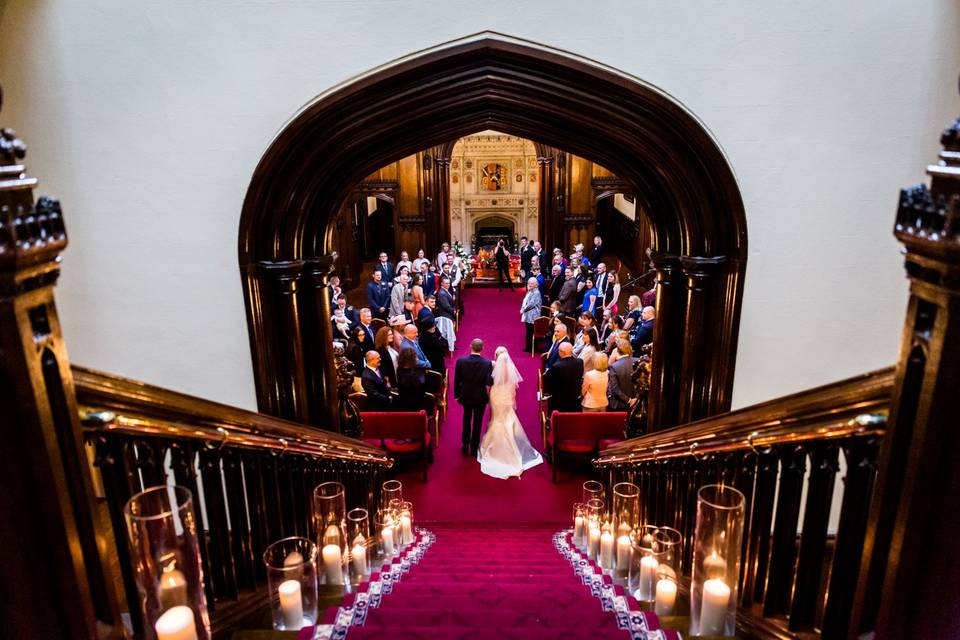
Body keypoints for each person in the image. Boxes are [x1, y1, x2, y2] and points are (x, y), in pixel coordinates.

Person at [477, 346, 544, 479]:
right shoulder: (512, 368)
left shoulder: (496, 368)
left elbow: (491, 383)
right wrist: (512, 398)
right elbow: (514, 387)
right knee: (506, 418)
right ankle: (511, 443)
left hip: (497, 396)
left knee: (497, 419)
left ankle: (500, 448)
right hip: (507, 397)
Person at [454, 338, 494, 456]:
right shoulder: (487, 363)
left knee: (466, 419)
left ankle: (465, 443)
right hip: (480, 396)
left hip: (465, 395)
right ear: (482, 348)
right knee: (478, 421)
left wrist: (457, 395)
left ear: (470, 346)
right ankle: (474, 446)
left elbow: (457, 380)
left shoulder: (461, 361)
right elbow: (488, 382)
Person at [542, 342, 583, 414]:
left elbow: (550, 387)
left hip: (559, 403)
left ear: (562, 352)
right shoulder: (580, 362)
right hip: (575, 401)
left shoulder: (557, 366)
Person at [394, 347, 427, 411]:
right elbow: (419, 392)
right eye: (415, 357)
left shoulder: (400, 368)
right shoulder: (412, 376)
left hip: (403, 399)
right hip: (414, 403)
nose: (416, 359)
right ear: (411, 359)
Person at [607, 340, 636, 411]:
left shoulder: (614, 366)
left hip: (619, 406)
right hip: (637, 404)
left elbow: (615, 388)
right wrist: (635, 399)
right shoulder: (639, 362)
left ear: (618, 351)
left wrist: (629, 400)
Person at [520, 277, 542, 353]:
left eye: (532, 283)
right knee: (529, 331)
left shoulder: (536, 292)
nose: (530, 285)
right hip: (529, 315)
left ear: (536, 285)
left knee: (531, 332)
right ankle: (529, 347)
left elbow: (531, 304)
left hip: (533, 316)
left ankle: (531, 348)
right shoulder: (531, 291)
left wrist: (523, 309)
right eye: (529, 283)